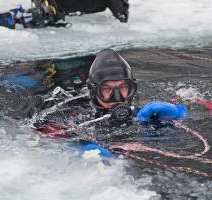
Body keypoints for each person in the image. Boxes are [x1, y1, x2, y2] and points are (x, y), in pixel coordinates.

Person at [33, 49, 188, 156]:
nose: (117, 97)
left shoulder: (143, 107)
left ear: (132, 88)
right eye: (106, 89)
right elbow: (39, 125)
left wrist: (177, 114)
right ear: (94, 91)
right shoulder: (76, 109)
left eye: (123, 88)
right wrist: (76, 142)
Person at [0, 0, 129, 29]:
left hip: (53, 6)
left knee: (38, 16)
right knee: (38, 18)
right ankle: (12, 20)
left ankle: (15, 18)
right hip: (55, 8)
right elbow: (122, 16)